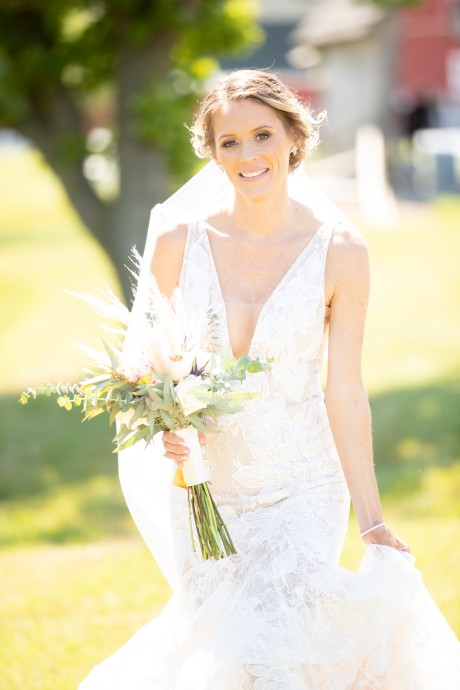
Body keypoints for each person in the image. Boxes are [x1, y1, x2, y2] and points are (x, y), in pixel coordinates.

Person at [80, 70, 460, 689]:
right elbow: (146, 366)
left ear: (293, 137)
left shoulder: (341, 251)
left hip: (302, 485)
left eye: (262, 135)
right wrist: (166, 422)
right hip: (205, 490)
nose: (248, 155)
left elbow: (345, 389)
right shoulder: (177, 241)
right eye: (229, 142)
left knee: (278, 642)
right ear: (211, 152)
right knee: (223, 652)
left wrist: (370, 519)